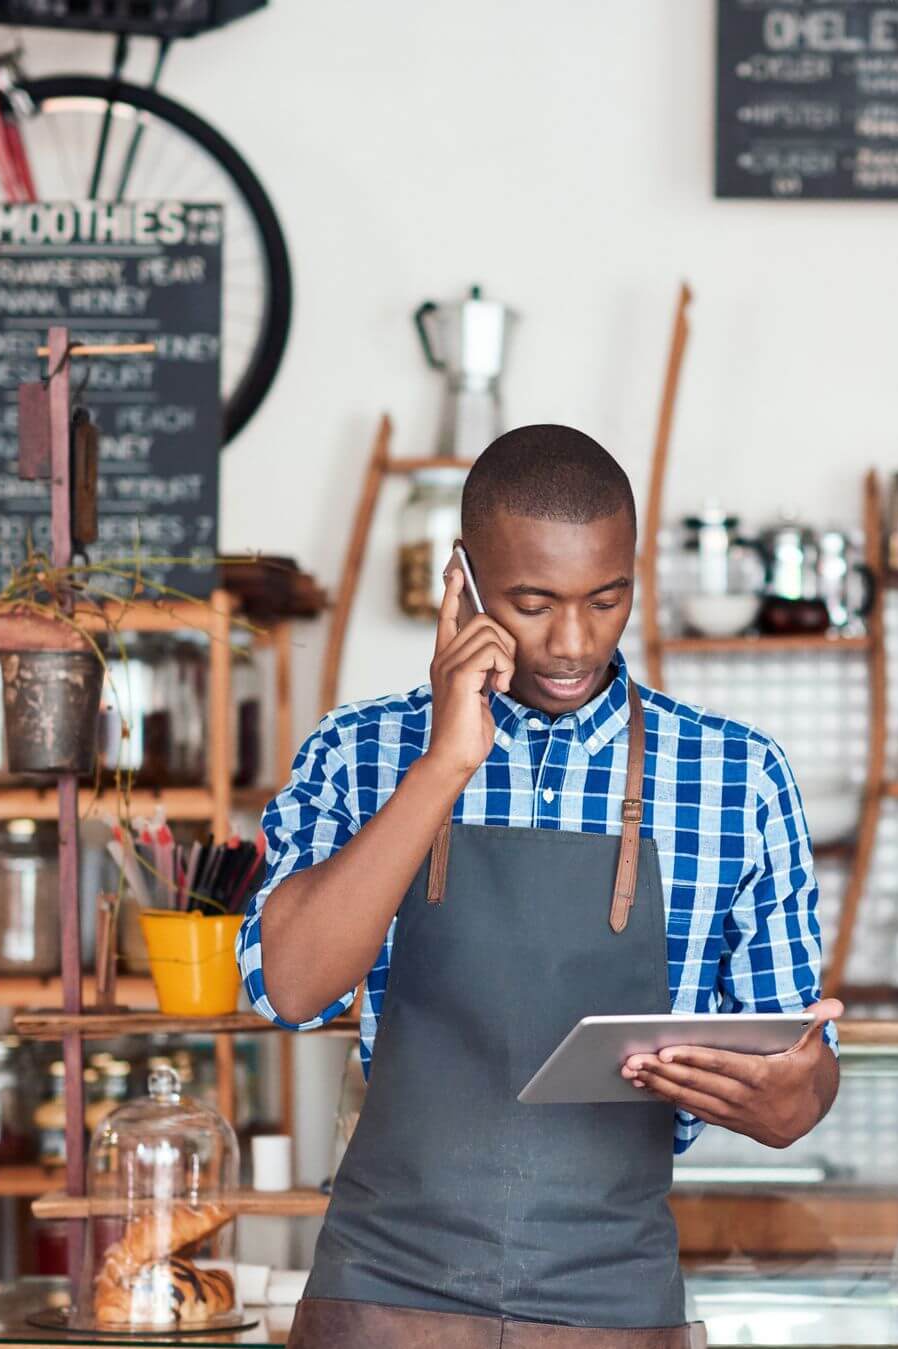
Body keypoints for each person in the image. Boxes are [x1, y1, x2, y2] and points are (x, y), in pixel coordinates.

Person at [240, 425, 842, 1347]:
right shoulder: (356, 749)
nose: (572, 642)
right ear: (465, 580)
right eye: (532, 602)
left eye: (608, 599)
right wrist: (443, 764)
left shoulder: (738, 775)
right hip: (382, 1294)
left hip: (614, 1307)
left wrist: (786, 1093)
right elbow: (290, 987)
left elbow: (800, 1085)